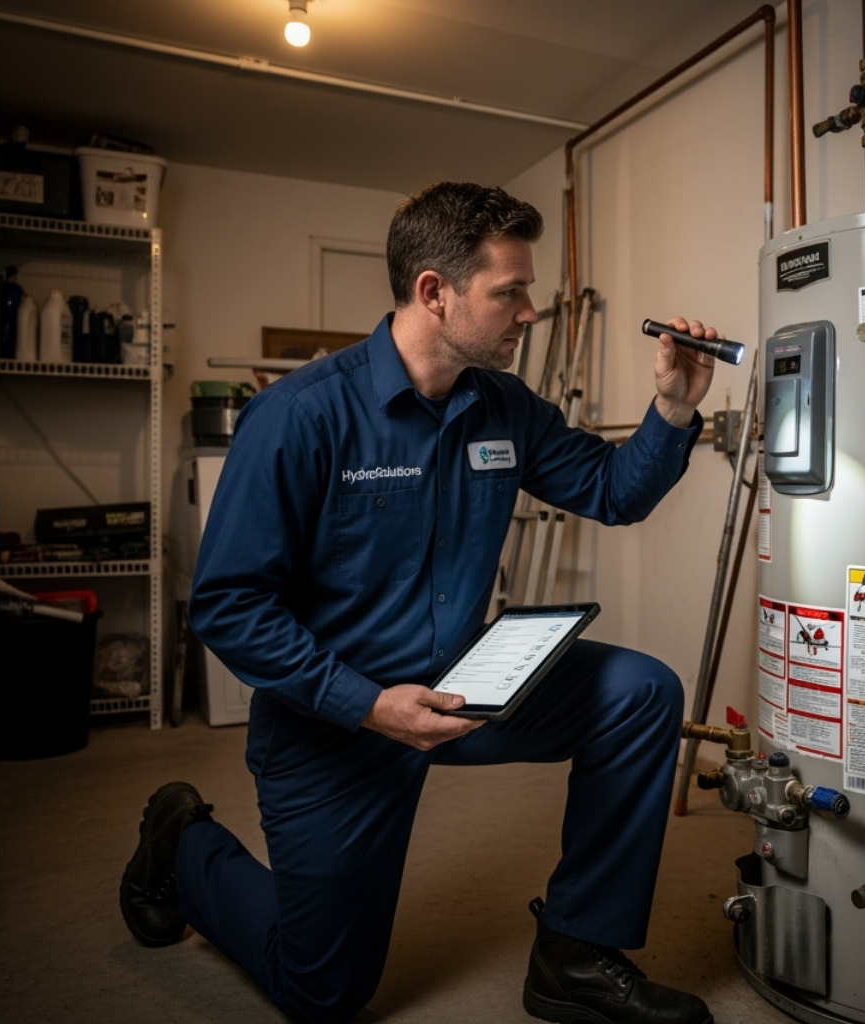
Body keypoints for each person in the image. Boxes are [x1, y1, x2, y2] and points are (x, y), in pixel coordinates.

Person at [120, 181, 721, 1024]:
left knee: (639, 693)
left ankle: (577, 952)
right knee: (321, 993)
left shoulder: (502, 407)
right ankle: (183, 843)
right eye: (509, 291)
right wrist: (366, 706)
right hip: (333, 722)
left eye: (529, 290)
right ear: (434, 293)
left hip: (458, 687)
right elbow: (227, 607)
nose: (531, 311)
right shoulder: (299, 417)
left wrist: (672, 408)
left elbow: (613, 492)